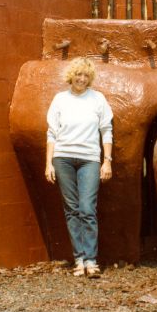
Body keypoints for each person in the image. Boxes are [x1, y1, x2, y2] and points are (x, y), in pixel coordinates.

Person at [45, 57, 113, 277]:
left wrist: (107, 160)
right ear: (71, 76)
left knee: (87, 208)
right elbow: (51, 133)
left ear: (89, 78)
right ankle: (79, 259)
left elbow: (106, 130)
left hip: (89, 159)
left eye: (86, 75)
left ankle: (92, 260)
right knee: (72, 210)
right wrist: (48, 163)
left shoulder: (98, 99)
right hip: (62, 158)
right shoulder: (60, 99)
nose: (81, 79)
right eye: (78, 74)